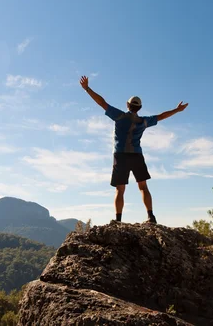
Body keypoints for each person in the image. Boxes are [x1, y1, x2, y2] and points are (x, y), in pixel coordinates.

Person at [80, 75, 188, 224]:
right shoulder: (144, 121)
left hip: (121, 155)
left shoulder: (119, 116)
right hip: (136, 156)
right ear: (140, 108)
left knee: (120, 189)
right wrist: (177, 110)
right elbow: (162, 116)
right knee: (143, 187)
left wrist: (87, 89)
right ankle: (151, 216)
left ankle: (118, 220)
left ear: (127, 104)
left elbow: (102, 103)